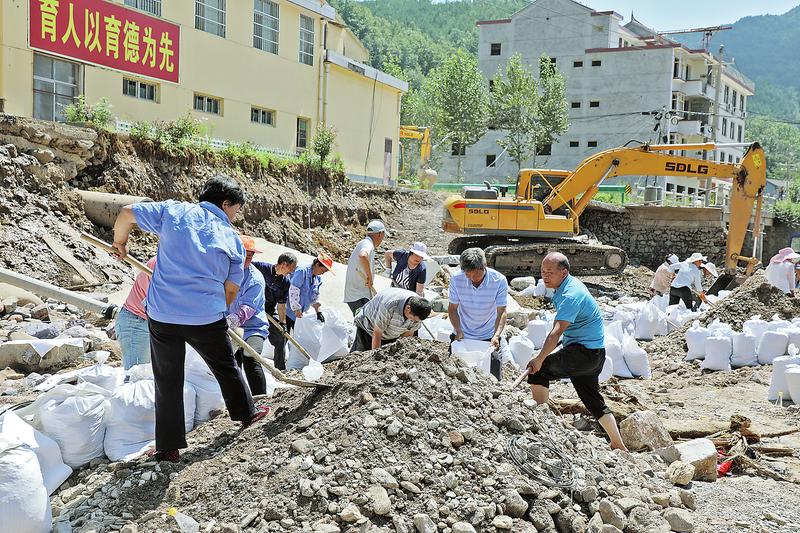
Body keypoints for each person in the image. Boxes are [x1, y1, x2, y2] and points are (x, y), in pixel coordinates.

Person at [111, 175, 267, 463]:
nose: (235, 216)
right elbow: (231, 289)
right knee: (225, 366)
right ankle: (247, 413)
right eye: (236, 209)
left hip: (162, 314)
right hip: (206, 316)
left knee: (167, 379)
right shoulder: (230, 237)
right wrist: (217, 310)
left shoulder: (174, 211)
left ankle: (168, 447)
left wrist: (121, 243)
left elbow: (126, 213)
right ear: (225, 203)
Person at [525, 252, 627, 451]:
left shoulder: (571, 295)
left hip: (583, 354)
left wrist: (539, 358)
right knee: (592, 399)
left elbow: (555, 333)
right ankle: (618, 443)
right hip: (594, 353)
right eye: (542, 271)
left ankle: (542, 423)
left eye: (550, 272)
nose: (544, 276)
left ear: (563, 272)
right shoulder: (569, 286)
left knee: (540, 370)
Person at [448, 247, 508, 380]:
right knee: (456, 377)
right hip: (462, 335)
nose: (471, 278)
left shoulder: (499, 281)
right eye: (467, 274)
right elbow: (452, 308)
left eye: (475, 274)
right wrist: (458, 330)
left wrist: (496, 335)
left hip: (488, 336)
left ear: (484, 266)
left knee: (492, 378)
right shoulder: (457, 279)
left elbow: (501, 312)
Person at [227, 236, 271, 396]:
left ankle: (261, 398)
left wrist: (231, 320)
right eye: (245, 253)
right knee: (231, 363)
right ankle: (239, 400)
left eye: (251, 255)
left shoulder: (255, 279)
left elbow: (248, 308)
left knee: (251, 358)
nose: (247, 258)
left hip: (253, 328)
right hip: (232, 328)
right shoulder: (227, 272)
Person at [252, 252, 298, 370]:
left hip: (269, 310)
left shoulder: (285, 282)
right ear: (283, 264)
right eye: (291, 268)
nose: (291, 272)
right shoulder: (261, 267)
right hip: (252, 304)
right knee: (251, 334)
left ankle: (280, 369)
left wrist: (282, 323)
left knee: (280, 337)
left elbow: (281, 305)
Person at [351, 288, 432, 352]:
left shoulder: (419, 310)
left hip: (391, 333)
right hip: (369, 329)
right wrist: (375, 360)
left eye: (416, 321)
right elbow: (377, 333)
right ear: (408, 308)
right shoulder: (390, 306)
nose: (413, 322)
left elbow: (408, 334)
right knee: (362, 357)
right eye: (412, 319)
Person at [115, 256, 156, 371]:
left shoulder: (176, 262)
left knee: (149, 376)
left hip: (150, 323)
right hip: (136, 323)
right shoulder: (162, 263)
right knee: (136, 377)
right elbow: (159, 303)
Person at [344, 220, 386, 316]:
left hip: (358, 293)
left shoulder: (365, 243)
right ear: (380, 234)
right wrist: (369, 276)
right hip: (357, 295)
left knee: (365, 323)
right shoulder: (368, 244)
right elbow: (363, 256)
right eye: (383, 235)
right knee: (364, 323)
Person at [288, 253, 334, 332]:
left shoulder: (317, 279)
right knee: (285, 339)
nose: (323, 273)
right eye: (323, 270)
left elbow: (314, 298)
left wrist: (318, 312)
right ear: (317, 265)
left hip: (301, 315)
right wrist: (296, 309)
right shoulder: (302, 271)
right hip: (290, 313)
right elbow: (293, 290)